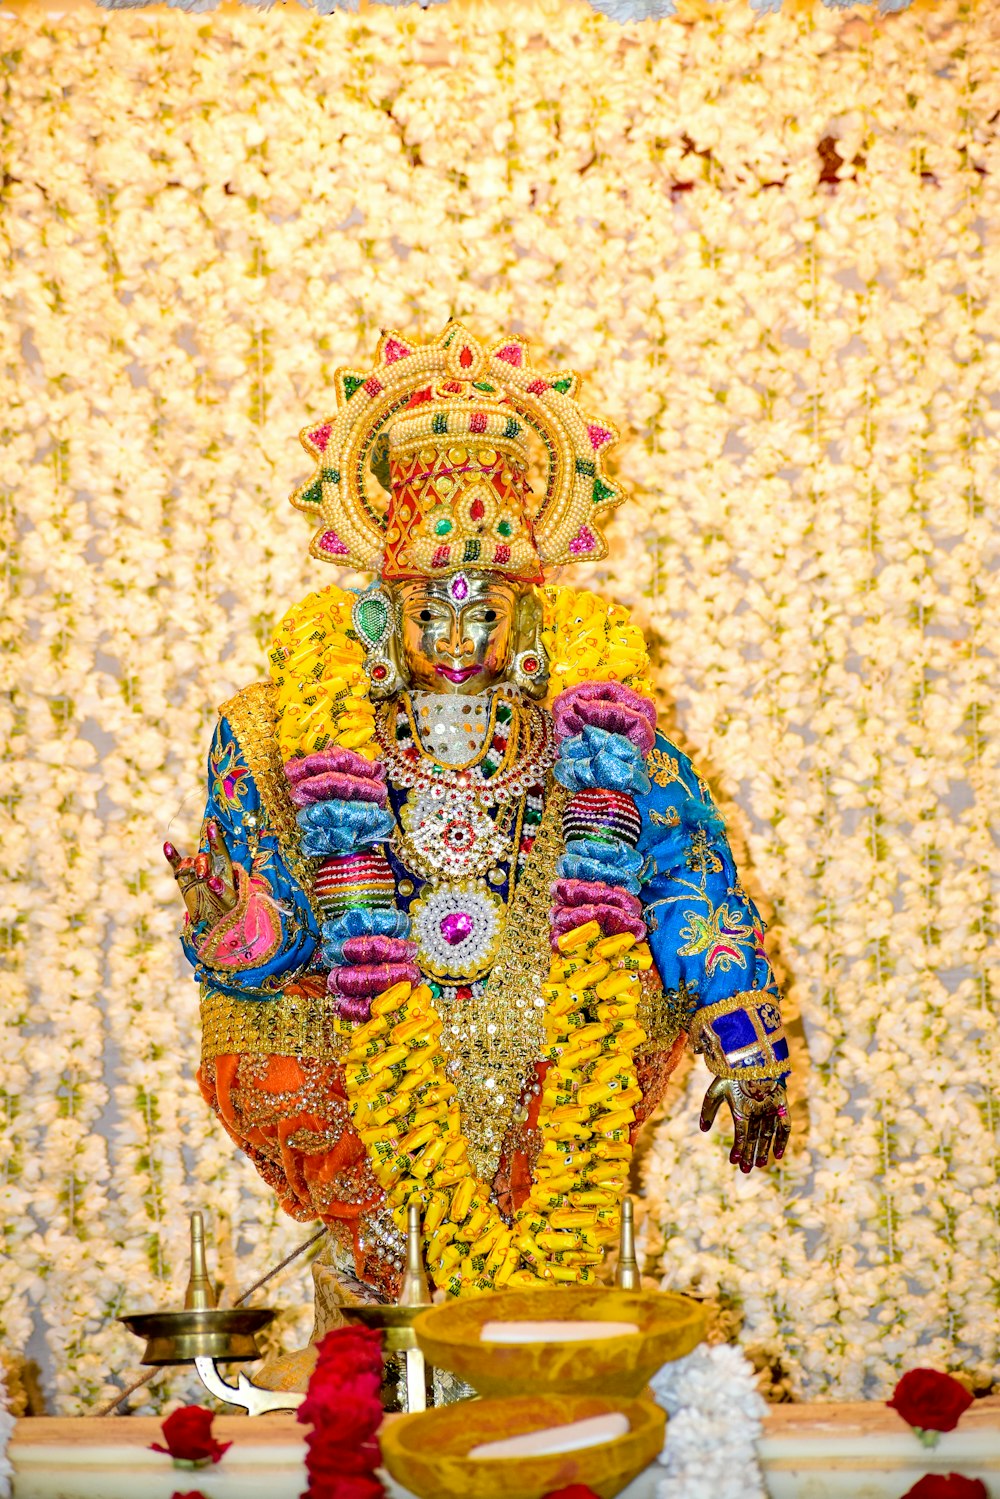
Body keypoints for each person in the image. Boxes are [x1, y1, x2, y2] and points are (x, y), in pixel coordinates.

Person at [166, 323, 790, 1302]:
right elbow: (278, 938)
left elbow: (688, 879)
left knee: (554, 1345)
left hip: (559, 1093)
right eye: (432, 610)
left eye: (484, 609)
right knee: (380, 1370)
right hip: (370, 1101)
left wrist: (746, 1047)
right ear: (383, 613)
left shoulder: (600, 728)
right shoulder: (284, 731)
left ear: (529, 619)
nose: (458, 634)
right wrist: (234, 920)